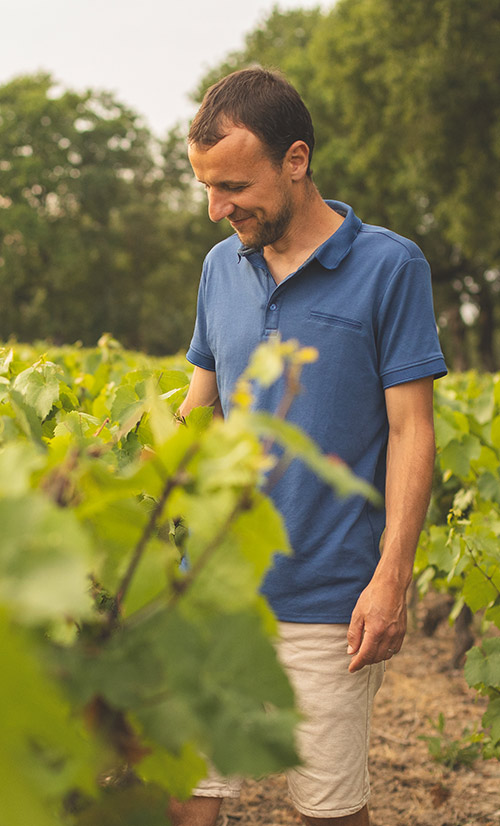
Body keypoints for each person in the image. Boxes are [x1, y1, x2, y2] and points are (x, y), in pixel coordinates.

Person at [169, 68, 447, 826]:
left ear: (296, 160)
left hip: (329, 602)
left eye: (231, 186)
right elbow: (202, 405)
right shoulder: (218, 268)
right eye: (205, 187)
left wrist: (392, 578)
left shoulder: (391, 267)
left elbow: (410, 430)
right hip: (213, 590)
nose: (215, 208)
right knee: (186, 799)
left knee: (326, 811)